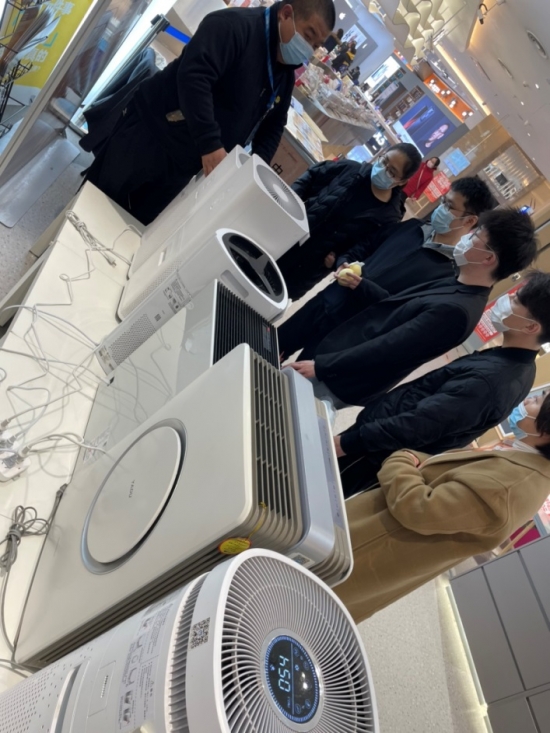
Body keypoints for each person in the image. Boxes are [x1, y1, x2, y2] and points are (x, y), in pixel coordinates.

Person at [83, 0, 336, 225]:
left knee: (132, 229)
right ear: (286, 14)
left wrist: (255, 169)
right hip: (150, 136)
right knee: (91, 211)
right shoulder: (233, 26)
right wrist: (210, 143)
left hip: (186, 162)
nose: (308, 48)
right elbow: (194, 79)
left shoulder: (285, 71)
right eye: (308, 35)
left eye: (315, 45)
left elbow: (274, 123)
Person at [283, 207, 537, 408]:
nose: (467, 238)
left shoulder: (458, 311)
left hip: (342, 377)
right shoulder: (456, 283)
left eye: (475, 236)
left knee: (287, 411)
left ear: (488, 257)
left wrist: (323, 367)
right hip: (336, 356)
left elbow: (389, 347)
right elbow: (394, 307)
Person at [334, 392, 550, 625]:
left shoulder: (511, 485)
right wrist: (413, 460)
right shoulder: (518, 454)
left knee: (315, 581)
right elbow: (438, 470)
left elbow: (419, 509)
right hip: (374, 526)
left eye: (537, 402)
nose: (527, 401)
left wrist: (400, 459)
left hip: (369, 545)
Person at [335, 270, 550, 497]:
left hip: (372, 449)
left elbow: (420, 424)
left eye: (516, 300)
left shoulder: (491, 380)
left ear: (531, 327)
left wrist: (348, 443)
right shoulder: (515, 364)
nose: (507, 297)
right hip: (378, 433)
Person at [278, 176, 493, 356]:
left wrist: (363, 287)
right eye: (443, 200)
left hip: (346, 332)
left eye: (449, 206)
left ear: (469, 221)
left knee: (293, 379)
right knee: (275, 344)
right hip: (328, 300)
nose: (441, 208)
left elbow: (402, 311)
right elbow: (367, 244)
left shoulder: (447, 273)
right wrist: (343, 261)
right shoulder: (413, 227)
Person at [276, 143, 422, 300]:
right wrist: (288, 204)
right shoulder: (350, 170)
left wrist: (339, 261)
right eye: (384, 161)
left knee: (275, 298)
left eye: (391, 172)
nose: (383, 169)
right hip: (284, 238)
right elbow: (312, 176)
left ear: (402, 181)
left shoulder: (388, 217)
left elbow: (364, 249)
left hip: (308, 269)